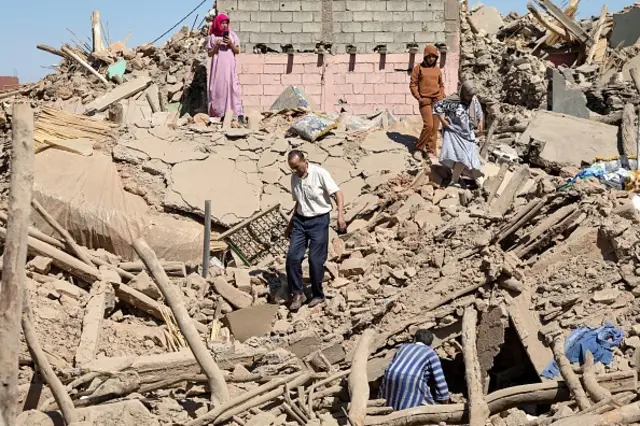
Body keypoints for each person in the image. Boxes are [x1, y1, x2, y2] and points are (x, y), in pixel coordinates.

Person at [285, 151, 347, 311]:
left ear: (305, 161)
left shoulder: (319, 173)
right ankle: (298, 293)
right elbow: (299, 202)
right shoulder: (294, 178)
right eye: (293, 169)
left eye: (298, 167)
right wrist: (291, 225)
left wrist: (340, 215)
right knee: (292, 257)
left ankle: (318, 294)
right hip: (300, 220)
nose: (296, 171)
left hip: (319, 220)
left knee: (315, 259)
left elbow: (337, 193)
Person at [379, 329, 450, 410]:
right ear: (430, 344)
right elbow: (440, 379)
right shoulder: (431, 353)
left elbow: (393, 364)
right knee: (424, 405)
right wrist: (444, 399)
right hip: (411, 380)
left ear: (415, 339)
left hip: (390, 376)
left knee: (391, 400)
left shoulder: (403, 347)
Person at [433, 80, 485, 187]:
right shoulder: (453, 101)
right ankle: (455, 181)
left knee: (473, 159)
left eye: (472, 95)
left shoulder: (473, 100)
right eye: (468, 95)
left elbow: (479, 113)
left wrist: (480, 123)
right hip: (455, 133)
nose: (470, 97)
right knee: (461, 158)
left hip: (468, 135)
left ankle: (480, 185)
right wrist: (443, 122)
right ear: (463, 92)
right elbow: (437, 107)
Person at [410, 45, 445, 162]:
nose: (431, 59)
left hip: (436, 100)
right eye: (429, 57)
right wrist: (419, 98)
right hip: (425, 100)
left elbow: (441, 85)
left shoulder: (437, 70)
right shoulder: (418, 68)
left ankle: (430, 150)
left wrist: (441, 96)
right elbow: (413, 84)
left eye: (434, 57)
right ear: (425, 56)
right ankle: (419, 149)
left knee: (435, 127)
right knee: (428, 125)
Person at [207, 13, 243, 122]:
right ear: (218, 23)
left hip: (230, 68)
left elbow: (237, 51)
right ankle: (218, 114)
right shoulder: (212, 37)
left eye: (226, 23)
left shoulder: (232, 35)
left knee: (232, 89)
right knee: (218, 90)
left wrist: (231, 44)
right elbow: (210, 54)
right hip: (218, 69)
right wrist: (217, 46)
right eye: (222, 23)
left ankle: (233, 114)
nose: (224, 25)